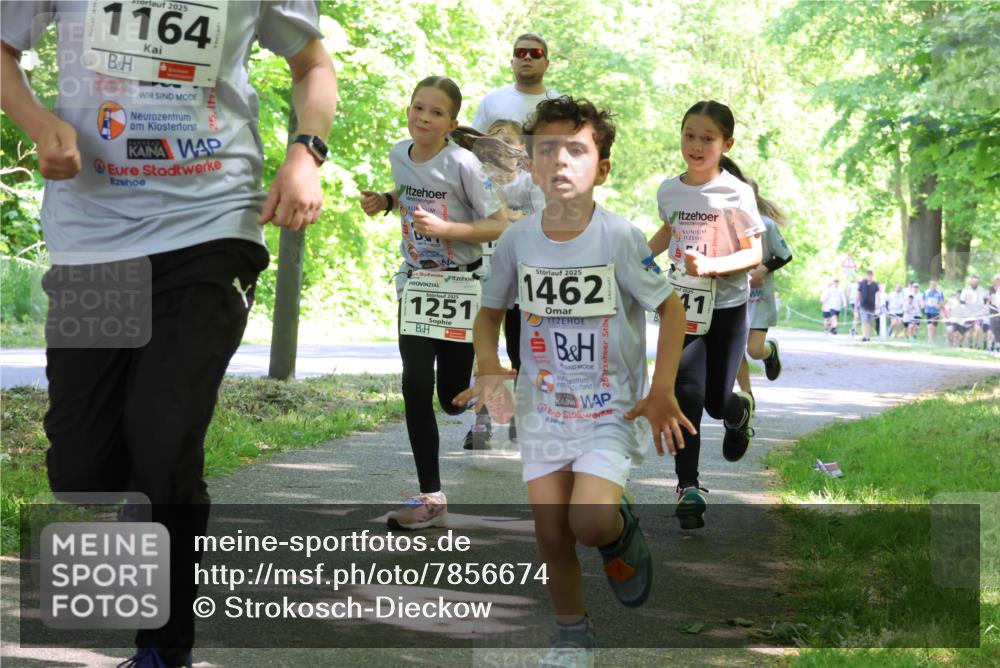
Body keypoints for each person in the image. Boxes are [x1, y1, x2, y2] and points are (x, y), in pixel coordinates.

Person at [1, 3, 336, 666]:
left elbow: (313, 63)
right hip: (94, 238)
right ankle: (150, 503)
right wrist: (41, 124)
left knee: (163, 438)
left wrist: (307, 152)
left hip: (212, 226)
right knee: (81, 468)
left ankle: (162, 648)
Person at [454, 96, 693, 667]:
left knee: (587, 522)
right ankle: (570, 635)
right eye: (546, 151)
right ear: (530, 166)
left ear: (601, 169)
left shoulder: (620, 238)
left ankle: (615, 529)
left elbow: (673, 309)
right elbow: (488, 314)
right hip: (544, 410)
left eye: (576, 151)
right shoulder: (516, 240)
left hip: (610, 408)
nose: (560, 161)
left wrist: (661, 390)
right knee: (552, 534)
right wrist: (489, 368)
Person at [359, 76, 505, 530]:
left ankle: (482, 397)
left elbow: (498, 224)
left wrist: (448, 232)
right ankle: (430, 495)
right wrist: (386, 200)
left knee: (450, 399)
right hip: (418, 286)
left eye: (436, 112)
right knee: (415, 384)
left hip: (462, 288)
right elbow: (409, 190)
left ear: (452, 123)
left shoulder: (463, 163)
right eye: (418, 108)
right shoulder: (398, 154)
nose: (424, 117)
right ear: (408, 110)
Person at [647, 100, 764, 529]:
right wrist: (636, 260)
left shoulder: (735, 192)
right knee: (688, 394)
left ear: (726, 143)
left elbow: (755, 253)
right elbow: (669, 231)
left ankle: (738, 414)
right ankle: (688, 486)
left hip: (728, 307)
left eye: (707, 139)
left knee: (716, 400)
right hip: (684, 308)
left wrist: (713, 266)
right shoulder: (669, 189)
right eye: (689, 136)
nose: (696, 146)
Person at [451, 120, 544, 449]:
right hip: (483, 278)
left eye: (508, 142)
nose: (499, 148)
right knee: (485, 353)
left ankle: (521, 415)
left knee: (522, 354)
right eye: (492, 142)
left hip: (522, 285)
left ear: (522, 149)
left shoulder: (532, 185)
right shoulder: (478, 182)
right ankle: (482, 422)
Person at [736, 182, 793, 396]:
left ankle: (769, 352)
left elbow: (785, 255)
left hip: (759, 300)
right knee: (734, 351)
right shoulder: (724, 226)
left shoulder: (766, 225)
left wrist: (763, 269)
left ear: (755, 199)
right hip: (732, 298)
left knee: (754, 350)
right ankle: (746, 395)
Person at [471, 33, 561, 132]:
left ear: (546, 64)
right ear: (512, 63)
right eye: (520, 53)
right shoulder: (491, 101)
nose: (527, 57)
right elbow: (475, 144)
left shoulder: (560, 105)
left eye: (536, 53)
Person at [961, 275, 988, 349]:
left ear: (978, 282)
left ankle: (976, 345)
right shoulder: (965, 290)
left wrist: (985, 305)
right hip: (968, 314)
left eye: (976, 282)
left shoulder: (982, 290)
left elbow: (986, 300)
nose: (975, 283)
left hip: (979, 314)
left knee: (978, 329)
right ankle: (970, 345)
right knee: (970, 332)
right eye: (973, 281)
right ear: (970, 282)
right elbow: (962, 301)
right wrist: (964, 309)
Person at [857, 270, 879, 341]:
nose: (869, 276)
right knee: (864, 320)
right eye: (868, 275)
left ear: (872, 276)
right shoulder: (862, 283)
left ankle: (868, 336)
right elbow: (858, 293)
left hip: (872, 306)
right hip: (863, 305)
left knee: (870, 322)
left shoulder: (875, 285)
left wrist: (877, 303)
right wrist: (856, 304)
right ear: (866, 275)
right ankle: (864, 336)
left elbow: (878, 295)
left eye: (870, 275)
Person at [923, 279, 945, 343]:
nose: (933, 286)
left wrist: (939, 305)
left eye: (935, 285)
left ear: (936, 285)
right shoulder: (926, 292)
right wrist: (923, 305)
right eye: (932, 284)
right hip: (928, 311)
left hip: (936, 312)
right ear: (930, 285)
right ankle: (930, 340)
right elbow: (923, 300)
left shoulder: (940, 293)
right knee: (929, 327)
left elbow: (942, 302)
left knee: (934, 328)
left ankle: (933, 339)